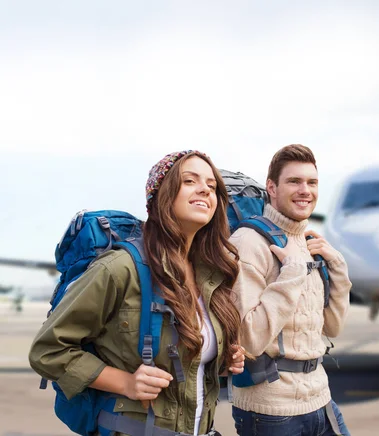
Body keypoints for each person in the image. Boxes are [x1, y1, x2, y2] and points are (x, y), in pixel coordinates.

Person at [29, 150, 245, 436]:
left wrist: (221, 357)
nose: (205, 188)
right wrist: (125, 382)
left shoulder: (211, 275)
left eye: (212, 185)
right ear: (162, 195)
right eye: (190, 181)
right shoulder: (121, 268)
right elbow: (48, 350)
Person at [229, 144, 352, 435]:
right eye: (294, 181)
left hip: (320, 398)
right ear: (271, 187)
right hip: (272, 412)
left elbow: (333, 328)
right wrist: (292, 274)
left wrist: (338, 266)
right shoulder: (248, 243)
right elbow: (248, 339)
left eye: (311, 182)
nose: (305, 190)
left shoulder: (310, 243)